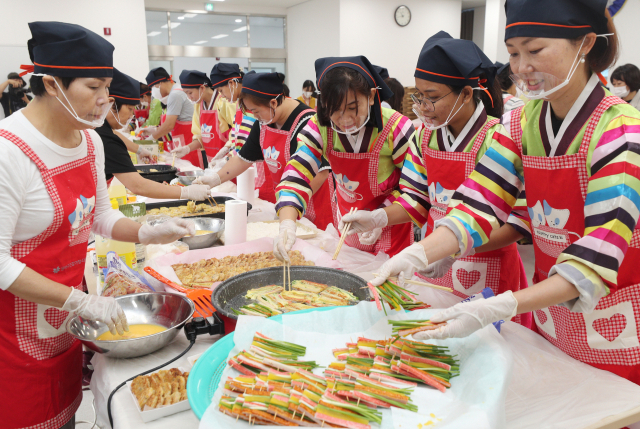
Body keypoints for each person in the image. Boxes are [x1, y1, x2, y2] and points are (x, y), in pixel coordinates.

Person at [371, 0, 640, 384]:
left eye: (534, 50)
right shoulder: (520, 122)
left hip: (615, 329)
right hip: (548, 321)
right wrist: (415, 255)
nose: (520, 68)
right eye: (513, 53)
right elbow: (478, 205)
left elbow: (591, 263)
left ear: (584, 44)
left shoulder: (622, 133)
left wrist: (499, 305)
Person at [0, 22, 195, 428]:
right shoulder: (10, 152)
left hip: (64, 326)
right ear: (52, 85)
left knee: (66, 415)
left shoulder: (88, 141)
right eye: (93, 87)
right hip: (13, 339)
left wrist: (147, 230)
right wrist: (80, 301)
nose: (105, 100)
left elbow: (101, 217)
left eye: (107, 86)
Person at [341, 33, 530, 327]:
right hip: (432, 265)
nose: (422, 106)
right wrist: (378, 218)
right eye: (419, 95)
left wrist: (456, 248)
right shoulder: (425, 137)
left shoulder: (498, 137)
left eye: (432, 97)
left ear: (466, 94)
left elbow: (517, 222)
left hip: (488, 267)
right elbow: (416, 200)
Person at [273, 56, 416, 260]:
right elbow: (296, 174)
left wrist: (380, 217)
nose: (345, 119)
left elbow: (415, 188)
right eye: (335, 110)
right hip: (348, 230)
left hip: (391, 228)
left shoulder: (397, 128)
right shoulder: (319, 127)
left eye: (352, 108)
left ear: (372, 96)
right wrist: (287, 223)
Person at [194, 72, 335, 230]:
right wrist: (215, 179)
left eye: (255, 111)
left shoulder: (307, 123)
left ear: (273, 103)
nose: (254, 116)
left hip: (314, 207)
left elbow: (321, 173)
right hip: (286, 203)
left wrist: (290, 205)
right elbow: (243, 159)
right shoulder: (264, 122)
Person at [95, 68, 211, 200]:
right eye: (130, 109)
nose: (131, 115)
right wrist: (185, 193)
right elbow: (137, 186)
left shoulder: (100, 128)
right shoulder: (103, 137)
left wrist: (139, 149)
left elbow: (114, 134)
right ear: (111, 103)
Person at [142, 67, 194, 156]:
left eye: (153, 88)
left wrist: (150, 139)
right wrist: (155, 129)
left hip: (189, 142)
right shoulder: (175, 91)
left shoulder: (175, 95)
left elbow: (169, 125)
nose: (153, 92)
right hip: (183, 141)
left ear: (160, 83)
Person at [211, 63, 256, 157]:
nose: (222, 96)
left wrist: (229, 158)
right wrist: (228, 149)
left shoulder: (251, 101)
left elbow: (248, 140)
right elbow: (238, 134)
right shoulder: (240, 102)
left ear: (231, 83)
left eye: (221, 90)